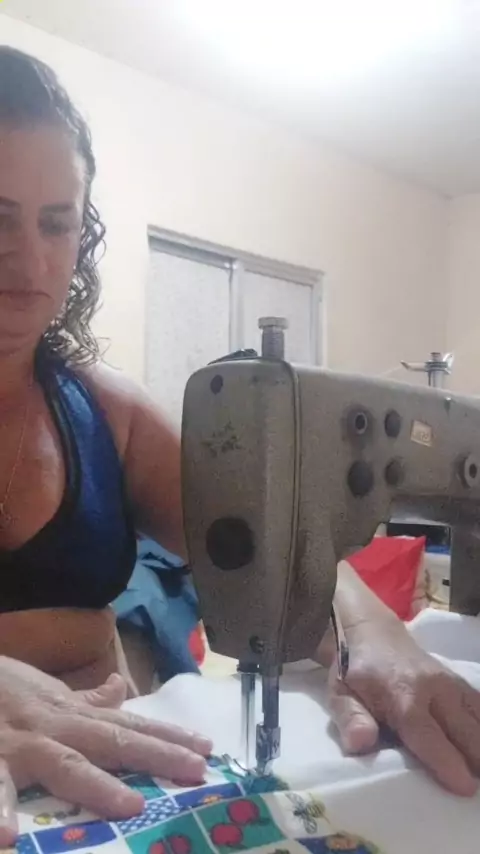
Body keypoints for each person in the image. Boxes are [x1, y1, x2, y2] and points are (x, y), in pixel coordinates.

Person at [0, 43, 479, 841]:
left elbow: (267, 547)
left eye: (58, 223)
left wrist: (370, 637)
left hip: (111, 791)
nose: (30, 259)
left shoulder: (106, 415)